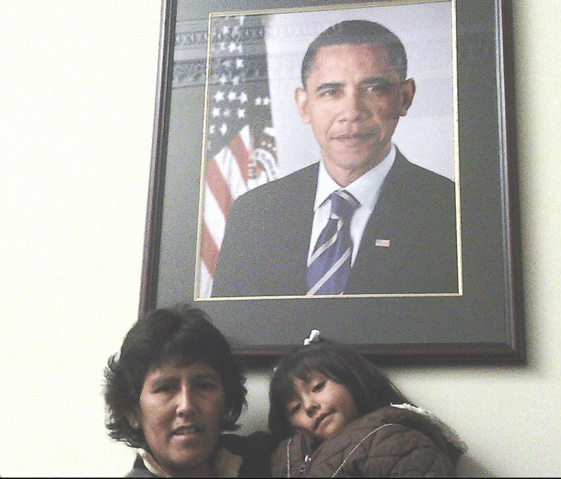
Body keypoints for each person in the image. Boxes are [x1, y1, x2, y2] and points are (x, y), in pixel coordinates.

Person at [211, 19, 458, 297]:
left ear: (404, 97)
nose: (351, 111)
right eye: (331, 92)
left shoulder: (452, 212)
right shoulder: (254, 214)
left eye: (373, 89)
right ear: (304, 106)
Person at [103, 304, 275, 477]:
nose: (186, 406)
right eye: (165, 388)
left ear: (226, 400)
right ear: (133, 411)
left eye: (203, 386)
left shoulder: (269, 460)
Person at [268, 330, 467, 477]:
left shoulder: (393, 440)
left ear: (351, 379)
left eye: (318, 387)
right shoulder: (286, 457)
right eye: (295, 408)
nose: (309, 406)